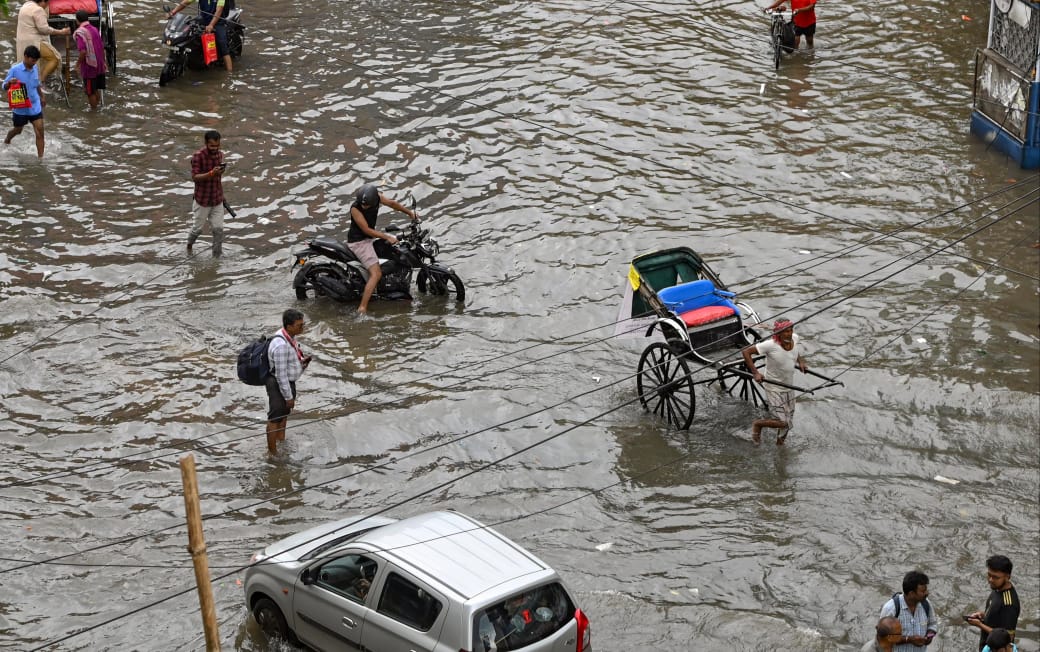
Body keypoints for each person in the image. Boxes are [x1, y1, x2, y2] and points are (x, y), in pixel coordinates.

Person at [346, 183, 418, 314]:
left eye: (367, 205)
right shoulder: (355, 208)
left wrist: (409, 213)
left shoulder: (377, 197)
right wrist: (386, 237)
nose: (364, 207)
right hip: (359, 242)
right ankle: (362, 308)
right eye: (363, 204)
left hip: (369, 238)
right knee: (376, 273)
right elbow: (366, 230)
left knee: (395, 250)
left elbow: (392, 204)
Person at [740, 318, 807, 445]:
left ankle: (780, 446)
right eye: (785, 331)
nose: (789, 333)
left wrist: (801, 362)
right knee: (782, 421)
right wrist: (755, 373)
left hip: (788, 386)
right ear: (778, 333)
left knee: (789, 422)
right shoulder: (770, 345)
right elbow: (746, 352)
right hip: (773, 386)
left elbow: (796, 352)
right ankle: (758, 424)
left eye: (791, 330)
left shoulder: (795, 338)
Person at [266, 309, 311, 454]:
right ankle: (272, 453)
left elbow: (288, 364)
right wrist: (288, 397)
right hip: (279, 384)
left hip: (287, 383)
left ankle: (281, 440)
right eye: (299, 325)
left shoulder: (289, 337)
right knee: (275, 418)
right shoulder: (281, 345)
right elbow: (280, 375)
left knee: (284, 414)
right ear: (289, 326)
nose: (302, 328)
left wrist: (302, 363)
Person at [967, 555, 1020, 650]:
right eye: (989, 575)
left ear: (1007, 577)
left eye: (995, 577)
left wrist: (979, 625)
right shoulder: (997, 589)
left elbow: (1008, 637)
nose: (990, 580)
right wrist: (982, 615)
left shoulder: (1009, 604)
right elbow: (996, 614)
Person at [3, 46, 48, 159]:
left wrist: (42, 96)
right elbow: (4, 86)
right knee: (18, 130)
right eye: (32, 60)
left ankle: (40, 159)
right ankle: (8, 138)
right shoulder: (15, 69)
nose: (34, 63)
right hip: (20, 107)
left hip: (34, 106)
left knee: (40, 132)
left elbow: (36, 84)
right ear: (26, 57)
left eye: (36, 61)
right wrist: (9, 83)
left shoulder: (35, 68)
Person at [187, 130, 227, 256]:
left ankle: (217, 258)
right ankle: (189, 245)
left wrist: (219, 173)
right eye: (212, 146)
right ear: (206, 143)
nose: (215, 149)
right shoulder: (198, 156)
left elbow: (218, 178)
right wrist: (211, 173)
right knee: (197, 229)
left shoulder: (220, 155)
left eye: (217, 146)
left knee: (218, 230)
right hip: (202, 200)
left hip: (217, 199)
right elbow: (195, 177)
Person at [879, 571, 939, 651]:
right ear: (911, 593)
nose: (927, 593)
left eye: (926, 590)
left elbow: (933, 624)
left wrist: (929, 636)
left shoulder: (926, 604)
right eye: (923, 591)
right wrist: (909, 639)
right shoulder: (891, 608)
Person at [167, 0, 233, 72]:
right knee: (188, 34)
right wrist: (173, 12)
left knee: (222, 46)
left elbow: (219, 11)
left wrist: (211, 25)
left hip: (218, 22)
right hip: (203, 20)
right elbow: (186, 2)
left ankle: (229, 73)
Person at [15, 0, 70, 86]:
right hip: (33, 41)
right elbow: (44, 29)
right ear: (44, 2)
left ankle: (34, 81)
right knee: (55, 59)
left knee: (27, 64)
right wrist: (61, 32)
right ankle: (41, 81)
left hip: (22, 40)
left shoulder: (26, 5)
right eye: (48, 3)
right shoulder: (38, 10)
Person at [73, 10, 107, 110]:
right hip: (99, 63)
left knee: (89, 91)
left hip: (90, 67)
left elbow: (83, 52)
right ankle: (98, 107)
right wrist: (104, 62)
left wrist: (78, 64)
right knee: (95, 88)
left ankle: (94, 111)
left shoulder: (80, 33)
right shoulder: (95, 29)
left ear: (77, 21)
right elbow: (101, 46)